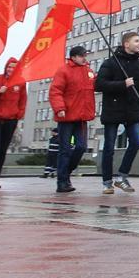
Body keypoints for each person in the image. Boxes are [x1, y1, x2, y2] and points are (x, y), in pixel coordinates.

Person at [96, 31, 139, 194]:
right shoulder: (111, 63)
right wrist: (122, 84)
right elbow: (99, 84)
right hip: (113, 109)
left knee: (135, 142)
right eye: (137, 41)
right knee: (109, 147)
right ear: (126, 44)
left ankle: (122, 176)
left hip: (132, 110)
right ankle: (107, 181)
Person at [49, 46, 95, 193]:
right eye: (81, 56)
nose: (84, 58)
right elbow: (55, 91)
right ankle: (62, 182)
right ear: (73, 57)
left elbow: (96, 85)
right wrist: (60, 108)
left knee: (81, 146)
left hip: (81, 117)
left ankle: (66, 171)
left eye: (85, 55)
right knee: (65, 149)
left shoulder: (88, 71)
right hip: (67, 117)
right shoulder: (64, 71)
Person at [0, 57, 27, 189]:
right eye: (9, 67)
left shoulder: (21, 82)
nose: (11, 69)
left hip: (10, 119)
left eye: (13, 67)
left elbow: (23, 101)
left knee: (2, 148)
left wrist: (18, 114)